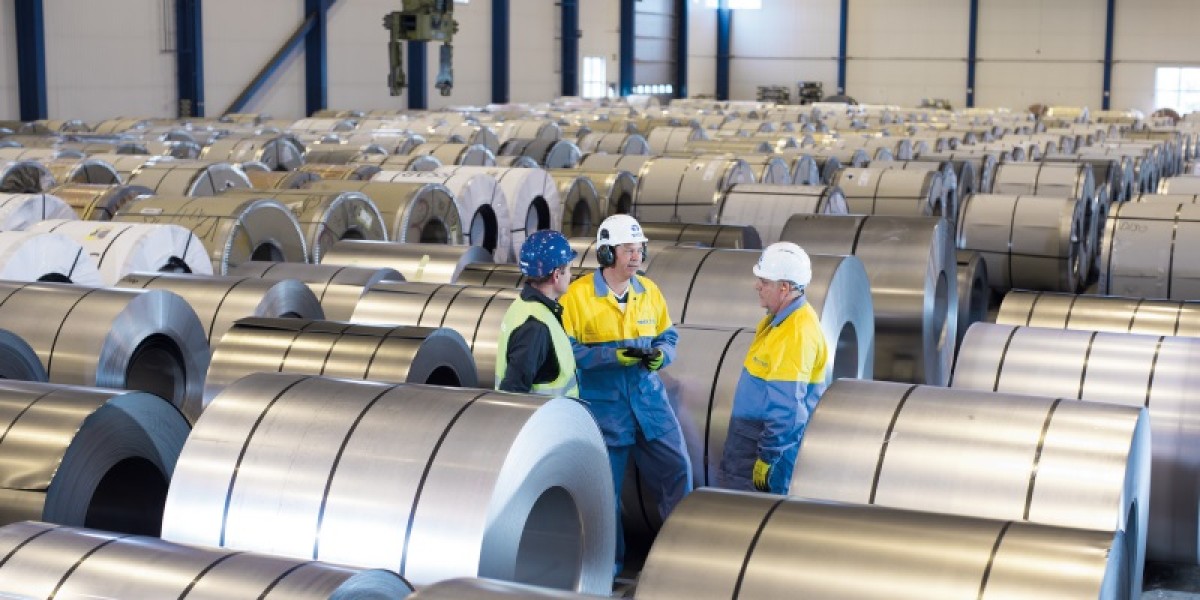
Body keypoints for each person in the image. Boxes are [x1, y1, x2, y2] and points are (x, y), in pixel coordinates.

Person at [559, 214, 692, 574]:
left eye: (639, 249)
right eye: (628, 250)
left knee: (678, 470)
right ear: (606, 254)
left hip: (649, 403)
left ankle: (679, 556)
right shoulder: (577, 297)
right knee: (605, 494)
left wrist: (662, 355)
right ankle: (607, 568)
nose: (636, 257)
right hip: (605, 409)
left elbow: (669, 336)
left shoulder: (649, 292)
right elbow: (566, 350)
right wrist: (609, 356)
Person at [718, 241, 828, 495]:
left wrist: (768, 458)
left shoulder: (796, 334)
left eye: (764, 281)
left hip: (761, 449)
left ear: (785, 288)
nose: (757, 285)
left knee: (749, 520)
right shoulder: (778, 321)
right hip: (750, 441)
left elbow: (788, 408)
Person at [496, 229, 579, 396]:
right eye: (569, 269)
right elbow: (514, 391)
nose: (571, 275)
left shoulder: (524, 306)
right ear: (556, 275)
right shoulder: (535, 326)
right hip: (548, 420)